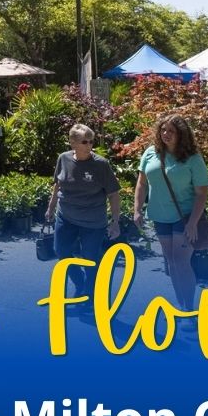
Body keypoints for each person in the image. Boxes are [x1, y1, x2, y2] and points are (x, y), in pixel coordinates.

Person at [133, 115, 208, 309]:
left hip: (184, 217)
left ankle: (188, 309)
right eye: (163, 130)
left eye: (171, 131)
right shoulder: (151, 153)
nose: (166, 134)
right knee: (172, 262)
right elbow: (141, 184)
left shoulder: (193, 158)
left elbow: (201, 193)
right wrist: (137, 209)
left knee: (181, 261)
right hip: (160, 216)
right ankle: (181, 304)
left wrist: (193, 222)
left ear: (181, 135)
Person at [44, 123, 121, 304]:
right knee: (61, 251)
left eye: (91, 141)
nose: (89, 145)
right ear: (73, 143)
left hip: (93, 221)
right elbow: (58, 185)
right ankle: (80, 284)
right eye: (85, 142)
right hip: (66, 216)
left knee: (90, 258)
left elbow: (113, 194)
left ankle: (90, 294)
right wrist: (50, 207)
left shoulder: (101, 164)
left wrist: (115, 221)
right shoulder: (63, 159)